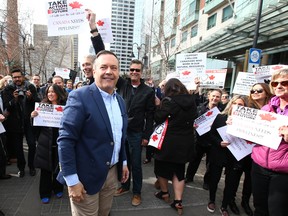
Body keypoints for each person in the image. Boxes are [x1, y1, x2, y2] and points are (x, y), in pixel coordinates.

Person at [57, 50, 129, 216]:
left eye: (114, 67)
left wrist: (123, 162)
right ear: (94, 71)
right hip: (84, 176)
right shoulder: (79, 96)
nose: (109, 71)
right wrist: (72, 181)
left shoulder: (120, 101)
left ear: (118, 72)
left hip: (111, 175)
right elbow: (66, 140)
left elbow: (119, 136)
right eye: (103, 67)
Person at [114, 59, 155, 207]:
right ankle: (125, 186)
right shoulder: (123, 84)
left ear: (141, 72)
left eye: (137, 70)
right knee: (123, 162)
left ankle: (137, 192)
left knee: (136, 164)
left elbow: (150, 116)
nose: (134, 72)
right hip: (120, 131)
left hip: (136, 133)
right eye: (132, 69)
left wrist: (146, 136)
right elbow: (107, 64)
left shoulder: (148, 91)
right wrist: (96, 36)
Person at [153, 78, 197, 214]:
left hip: (168, 141)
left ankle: (165, 193)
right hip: (185, 141)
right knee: (179, 171)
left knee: (160, 167)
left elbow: (158, 117)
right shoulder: (191, 100)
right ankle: (178, 202)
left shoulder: (168, 101)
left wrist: (158, 105)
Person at [229, 83, 273, 216]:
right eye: (252, 90)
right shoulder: (246, 107)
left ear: (266, 92)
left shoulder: (274, 109)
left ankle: (245, 202)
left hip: (260, 152)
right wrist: (232, 121)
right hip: (242, 148)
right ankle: (231, 201)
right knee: (235, 177)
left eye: (259, 90)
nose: (255, 92)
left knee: (250, 180)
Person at [251, 68, 288, 216]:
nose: (279, 86)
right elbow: (254, 136)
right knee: (259, 208)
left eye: (284, 82)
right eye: (275, 83)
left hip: (282, 173)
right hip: (259, 167)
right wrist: (236, 126)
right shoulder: (267, 108)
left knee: (277, 211)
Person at [206, 95, 248, 216]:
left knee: (231, 183)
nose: (237, 107)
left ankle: (224, 206)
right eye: (235, 103)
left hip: (235, 156)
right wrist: (219, 143)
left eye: (241, 105)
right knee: (214, 179)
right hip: (218, 153)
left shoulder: (248, 124)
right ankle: (212, 200)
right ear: (231, 104)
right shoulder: (220, 117)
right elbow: (211, 134)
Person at [31, 84, 67, 204]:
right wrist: (33, 117)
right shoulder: (42, 107)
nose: (50, 94)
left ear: (58, 93)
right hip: (45, 142)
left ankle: (58, 188)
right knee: (45, 170)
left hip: (60, 143)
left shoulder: (65, 107)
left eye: (53, 92)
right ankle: (44, 192)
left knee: (58, 168)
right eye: (48, 92)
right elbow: (35, 129)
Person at [2, 68, 40, 177]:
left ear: (22, 77)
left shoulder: (30, 86)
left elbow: (37, 102)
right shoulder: (8, 89)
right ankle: (21, 168)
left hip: (29, 122)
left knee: (32, 144)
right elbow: (6, 107)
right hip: (15, 123)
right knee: (18, 149)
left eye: (19, 77)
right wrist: (14, 99)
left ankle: (32, 166)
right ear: (12, 78)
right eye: (15, 77)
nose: (17, 79)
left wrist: (30, 97)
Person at [185, 89, 225, 189]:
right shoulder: (200, 107)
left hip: (213, 141)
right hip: (199, 139)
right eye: (213, 96)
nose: (215, 98)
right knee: (194, 159)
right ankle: (189, 177)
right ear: (209, 96)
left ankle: (207, 182)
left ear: (220, 98)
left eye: (217, 97)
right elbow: (193, 119)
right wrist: (193, 125)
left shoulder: (223, 111)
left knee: (210, 163)